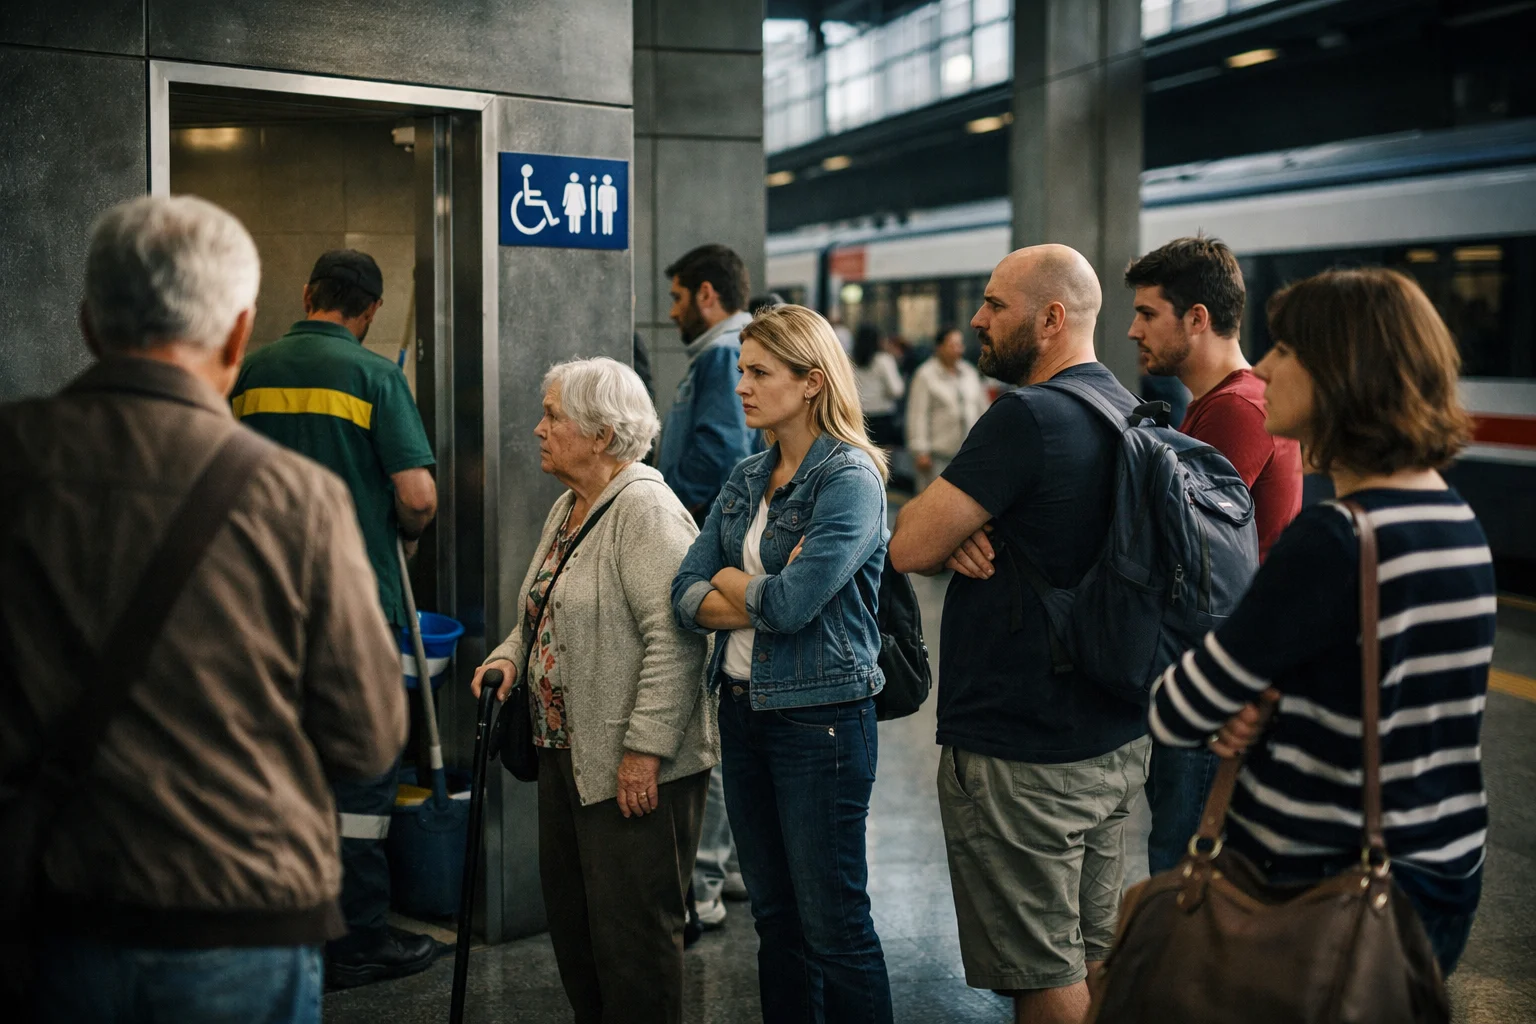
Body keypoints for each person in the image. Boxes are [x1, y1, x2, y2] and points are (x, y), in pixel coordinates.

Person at [0, 195, 406, 1023]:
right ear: (234, 333)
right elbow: (366, 734)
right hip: (240, 916)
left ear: (88, 322)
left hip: (47, 911)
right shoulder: (297, 498)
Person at [1151, 267, 1492, 977]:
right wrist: (1275, 696)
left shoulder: (1334, 538)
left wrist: (1249, 700)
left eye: (1287, 350)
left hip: (1319, 885)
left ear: (1342, 371)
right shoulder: (1457, 521)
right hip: (1442, 873)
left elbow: (1179, 708)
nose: (1265, 368)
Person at [889, 245, 1151, 1024]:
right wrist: (971, 528)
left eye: (995, 305)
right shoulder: (1125, 410)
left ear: (1051, 318)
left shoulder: (1027, 417)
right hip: (1110, 733)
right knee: (1093, 952)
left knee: (1043, 973)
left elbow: (910, 544)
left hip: (1025, 751)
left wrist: (955, 530)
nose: (977, 319)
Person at [473, 358, 716, 1024]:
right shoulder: (570, 505)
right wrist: (509, 657)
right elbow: (544, 609)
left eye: (552, 416)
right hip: (568, 755)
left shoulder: (646, 510)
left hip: (632, 768)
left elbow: (681, 639)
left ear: (602, 434)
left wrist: (643, 751)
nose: (538, 428)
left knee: (633, 942)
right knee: (577, 930)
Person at [671, 304, 894, 1024]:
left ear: (811, 381)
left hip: (819, 722)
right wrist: (755, 588)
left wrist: (733, 582)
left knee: (835, 927)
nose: (741, 386)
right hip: (742, 712)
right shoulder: (747, 476)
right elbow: (683, 590)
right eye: (742, 370)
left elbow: (795, 606)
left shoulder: (849, 479)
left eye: (759, 372)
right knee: (775, 921)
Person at [230, 248, 440, 987]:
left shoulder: (250, 372)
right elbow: (418, 496)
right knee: (359, 779)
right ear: (371, 309)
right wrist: (405, 532)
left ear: (307, 293)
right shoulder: (376, 377)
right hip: (353, 607)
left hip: (260, 609)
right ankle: (355, 938)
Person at [1123, 236, 1305, 876]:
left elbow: (1183, 547)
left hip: (1217, 672)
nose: (1133, 330)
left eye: (1148, 313)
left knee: (1183, 871)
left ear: (1196, 318)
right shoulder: (1226, 403)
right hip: (1222, 664)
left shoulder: (1235, 410)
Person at [655, 243, 757, 928]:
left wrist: (669, 513)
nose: (672, 312)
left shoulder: (723, 356)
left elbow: (718, 452)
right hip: (724, 551)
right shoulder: (724, 355)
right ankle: (733, 866)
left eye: (677, 297)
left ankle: (704, 884)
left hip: (708, 547)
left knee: (712, 717)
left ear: (708, 295)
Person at [905, 326, 986, 492]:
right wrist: (920, 450)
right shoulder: (925, 375)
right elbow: (918, 414)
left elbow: (982, 408)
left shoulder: (969, 372)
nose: (958, 349)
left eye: (960, 344)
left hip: (967, 453)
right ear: (939, 347)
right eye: (952, 345)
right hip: (938, 455)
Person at [851, 323, 905, 448]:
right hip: (882, 416)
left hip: (859, 415)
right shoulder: (884, 360)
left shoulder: (851, 360)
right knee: (882, 455)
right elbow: (896, 390)